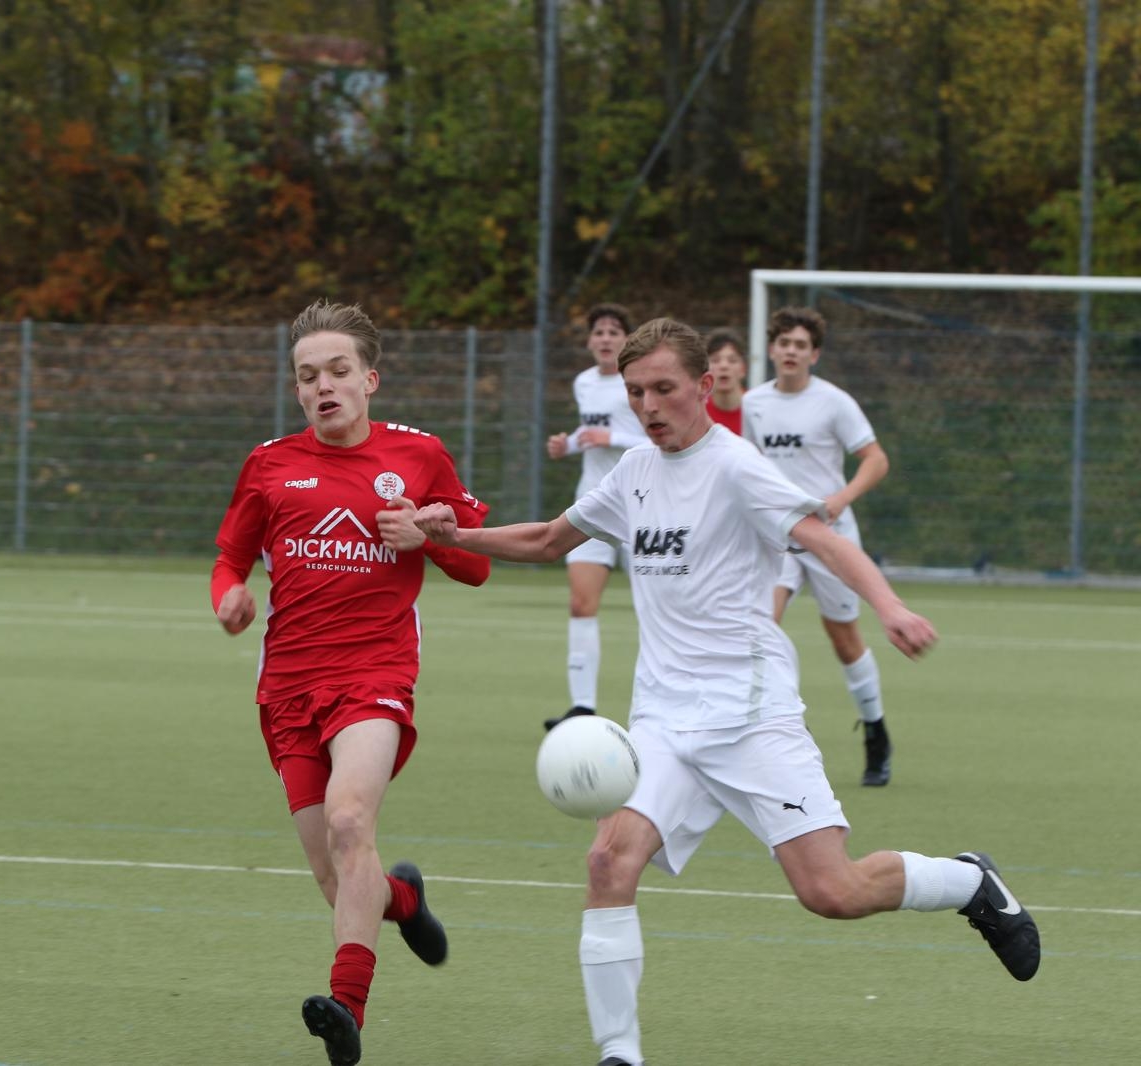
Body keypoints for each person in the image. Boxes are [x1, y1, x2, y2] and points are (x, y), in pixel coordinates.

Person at [414, 317, 1040, 1066]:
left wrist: (890, 607)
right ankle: (620, 1053)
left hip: (750, 715)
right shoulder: (634, 470)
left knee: (832, 892)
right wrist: (454, 537)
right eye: (635, 391)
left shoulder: (737, 467)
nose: (648, 406)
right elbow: (551, 539)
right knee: (609, 862)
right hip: (661, 719)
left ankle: (968, 882)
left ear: (704, 386)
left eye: (664, 389)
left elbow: (824, 540)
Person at [211, 299, 491, 1066]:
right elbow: (230, 559)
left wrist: (426, 536)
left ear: (370, 379)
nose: (323, 386)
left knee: (348, 822)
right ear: (296, 389)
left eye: (338, 371)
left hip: (374, 674)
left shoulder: (420, 456)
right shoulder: (269, 464)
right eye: (308, 376)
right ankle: (405, 899)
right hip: (287, 686)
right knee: (340, 880)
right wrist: (229, 598)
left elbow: (475, 565)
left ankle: (345, 1010)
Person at [742, 306, 895, 786]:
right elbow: (746, 465)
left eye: (801, 345)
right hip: (778, 537)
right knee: (761, 628)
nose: (791, 351)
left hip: (831, 537)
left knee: (844, 639)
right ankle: (787, 727)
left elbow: (875, 459)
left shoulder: (834, 402)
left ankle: (875, 729)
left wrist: (839, 499)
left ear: (815, 354)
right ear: (771, 349)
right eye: (784, 343)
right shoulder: (753, 403)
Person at [543, 302, 650, 732]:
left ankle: (654, 705)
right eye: (599, 332)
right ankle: (582, 707)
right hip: (593, 503)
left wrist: (613, 436)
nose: (605, 339)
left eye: (613, 332)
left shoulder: (639, 381)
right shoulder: (584, 382)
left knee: (655, 607)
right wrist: (567, 445)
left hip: (641, 503)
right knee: (581, 603)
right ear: (590, 341)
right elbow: (590, 435)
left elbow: (655, 437)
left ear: (627, 340)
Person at [703, 327, 747, 434]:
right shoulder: (698, 413)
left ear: (743, 369)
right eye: (715, 360)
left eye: (732, 360)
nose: (724, 366)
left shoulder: (758, 407)